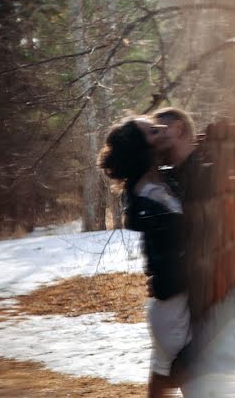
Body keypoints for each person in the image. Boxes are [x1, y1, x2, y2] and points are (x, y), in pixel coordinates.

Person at [98, 116, 191, 397]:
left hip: (168, 308)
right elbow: (175, 256)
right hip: (172, 309)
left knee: (162, 383)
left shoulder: (160, 181)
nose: (163, 128)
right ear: (144, 150)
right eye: (153, 130)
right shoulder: (147, 200)